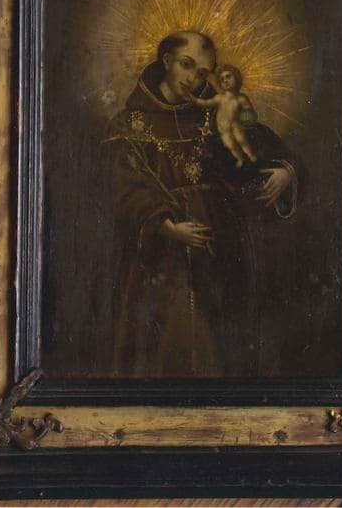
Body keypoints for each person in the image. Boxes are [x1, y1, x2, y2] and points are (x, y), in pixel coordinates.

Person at [102, 30, 297, 378]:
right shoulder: (131, 123)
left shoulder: (214, 114)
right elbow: (124, 186)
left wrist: (285, 172)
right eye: (186, 65)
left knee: (222, 344)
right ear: (167, 62)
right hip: (160, 251)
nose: (193, 78)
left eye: (202, 72)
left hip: (220, 244)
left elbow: (257, 151)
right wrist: (166, 225)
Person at [187, 63, 257, 168]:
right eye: (222, 79)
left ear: (236, 78)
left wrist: (247, 117)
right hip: (223, 130)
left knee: (241, 140)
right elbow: (206, 103)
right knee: (230, 145)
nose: (225, 80)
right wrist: (194, 99)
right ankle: (240, 158)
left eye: (228, 76)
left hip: (235, 126)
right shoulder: (219, 98)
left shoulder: (241, 98)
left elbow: (248, 110)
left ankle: (250, 155)